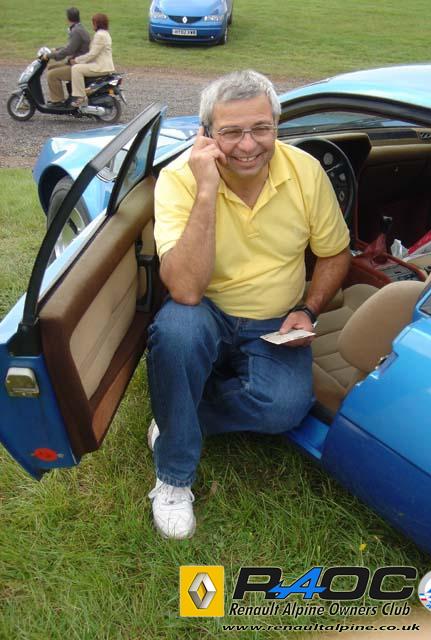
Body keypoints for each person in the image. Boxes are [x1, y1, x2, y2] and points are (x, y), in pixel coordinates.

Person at [147, 70, 351, 539]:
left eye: (261, 128)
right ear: (206, 134)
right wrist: (206, 189)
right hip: (205, 311)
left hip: (274, 320)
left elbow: (335, 253)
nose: (247, 145)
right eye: (231, 132)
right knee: (177, 330)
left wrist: (310, 308)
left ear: (276, 126)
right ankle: (174, 477)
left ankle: (180, 417)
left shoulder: (305, 171)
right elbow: (185, 290)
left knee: (284, 408)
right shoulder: (179, 179)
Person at [46, 7, 90, 105]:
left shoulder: (76, 31)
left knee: (52, 75)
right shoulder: (79, 28)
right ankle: (64, 97)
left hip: (77, 65)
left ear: (67, 18)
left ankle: (57, 101)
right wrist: (57, 49)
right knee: (51, 67)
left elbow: (69, 50)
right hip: (76, 62)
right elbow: (71, 47)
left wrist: (50, 55)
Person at [69, 13, 115, 108]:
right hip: (105, 65)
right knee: (79, 67)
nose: (92, 24)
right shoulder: (106, 33)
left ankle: (81, 97)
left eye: (93, 22)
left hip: (100, 67)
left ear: (97, 23)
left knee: (76, 69)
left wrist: (77, 60)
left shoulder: (99, 35)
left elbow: (93, 54)